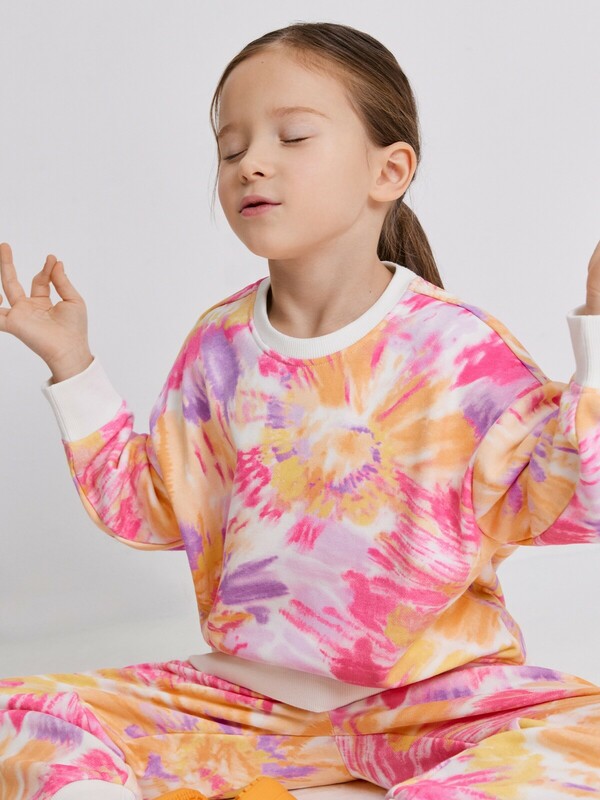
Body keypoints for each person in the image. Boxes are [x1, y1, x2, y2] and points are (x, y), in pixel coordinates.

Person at [1, 19, 599, 800]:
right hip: (246, 703)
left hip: (439, 704)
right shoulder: (218, 346)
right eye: (230, 148)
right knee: (23, 712)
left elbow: (575, 500)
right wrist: (72, 363)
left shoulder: (458, 348)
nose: (251, 163)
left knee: (584, 732)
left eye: (293, 137)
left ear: (388, 170)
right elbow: (149, 506)